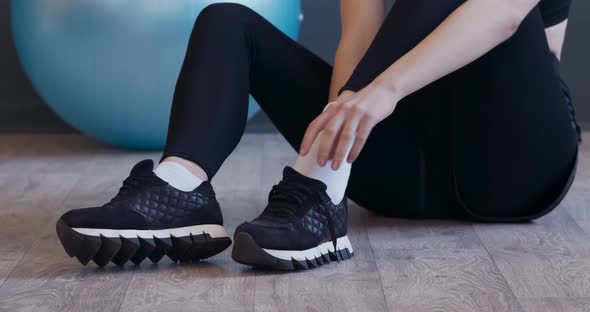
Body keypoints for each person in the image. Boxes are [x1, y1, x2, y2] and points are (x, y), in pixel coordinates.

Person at [55, 0, 580, 270]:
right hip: (404, 168)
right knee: (227, 20)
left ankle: (317, 187)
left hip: (512, 164)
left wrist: (385, 91)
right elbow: (361, 36)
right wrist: (336, 140)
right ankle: (180, 188)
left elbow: (507, 13)